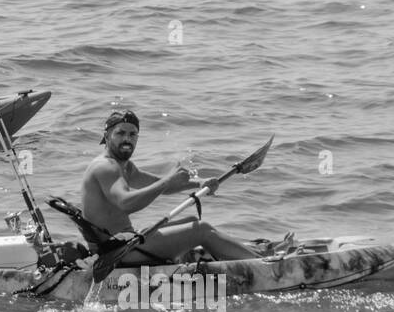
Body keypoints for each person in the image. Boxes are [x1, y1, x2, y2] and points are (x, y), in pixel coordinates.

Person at [79, 110, 291, 263]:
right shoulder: (106, 167)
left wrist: (200, 184)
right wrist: (167, 182)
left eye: (132, 134)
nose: (127, 139)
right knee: (202, 230)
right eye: (120, 133)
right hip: (118, 252)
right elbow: (126, 203)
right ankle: (263, 263)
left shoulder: (124, 166)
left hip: (126, 241)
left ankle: (246, 252)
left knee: (191, 220)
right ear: (106, 136)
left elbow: (158, 185)